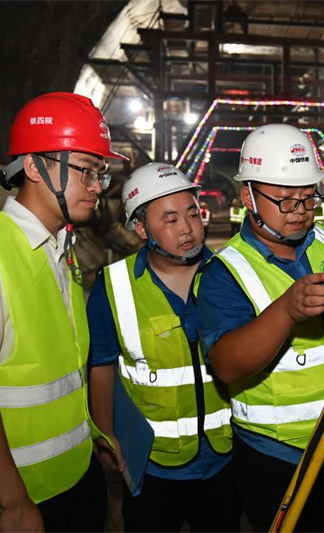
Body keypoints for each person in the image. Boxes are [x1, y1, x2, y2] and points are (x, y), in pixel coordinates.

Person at [0, 92, 128, 532]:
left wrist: (91, 440)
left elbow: (59, 370)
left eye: (100, 174)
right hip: (4, 499)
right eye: (86, 170)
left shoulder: (60, 250)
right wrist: (13, 501)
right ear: (33, 167)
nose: (96, 186)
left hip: (71, 479)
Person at [195, 123, 324, 532]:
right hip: (275, 455)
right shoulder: (225, 272)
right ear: (247, 195)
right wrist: (286, 310)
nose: (301, 211)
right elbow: (227, 365)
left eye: (308, 198)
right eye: (285, 200)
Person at [86, 162, 240, 532]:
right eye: (169, 220)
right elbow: (101, 365)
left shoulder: (229, 275)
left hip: (225, 458)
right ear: (140, 228)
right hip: (153, 468)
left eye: (192, 214)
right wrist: (105, 434)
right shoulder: (115, 286)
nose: (187, 229)